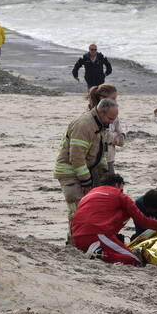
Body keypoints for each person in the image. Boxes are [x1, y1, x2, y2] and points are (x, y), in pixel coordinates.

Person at [71, 173, 157, 265]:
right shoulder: (120, 196)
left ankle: (97, 252)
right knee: (135, 260)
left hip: (76, 237)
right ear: (117, 185)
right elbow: (141, 220)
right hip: (97, 235)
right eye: (122, 188)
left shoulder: (90, 194)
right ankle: (100, 254)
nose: (122, 191)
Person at [54, 98, 119, 238]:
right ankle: (74, 242)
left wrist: (104, 175)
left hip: (87, 170)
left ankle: (86, 238)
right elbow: (76, 157)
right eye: (110, 118)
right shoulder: (84, 125)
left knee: (92, 208)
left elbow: (100, 153)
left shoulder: (101, 125)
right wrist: (86, 181)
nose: (112, 122)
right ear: (101, 112)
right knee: (78, 209)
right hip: (69, 172)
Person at [88, 84, 125, 174]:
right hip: (94, 160)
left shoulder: (114, 116)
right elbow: (96, 138)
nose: (115, 102)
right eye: (113, 98)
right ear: (102, 99)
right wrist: (113, 137)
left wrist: (115, 138)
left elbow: (122, 140)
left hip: (109, 159)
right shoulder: (91, 116)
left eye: (116, 98)